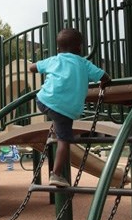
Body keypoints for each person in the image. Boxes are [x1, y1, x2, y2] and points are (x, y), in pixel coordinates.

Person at [30, 28, 110, 187]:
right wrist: (103, 82)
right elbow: (104, 77)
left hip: (43, 100)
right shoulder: (84, 63)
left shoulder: (54, 60)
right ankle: (56, 174)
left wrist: (37, 66)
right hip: (64, 110)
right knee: (64, 141)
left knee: (56, 116)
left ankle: (54, 133)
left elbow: (32, 68)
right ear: (79, 48)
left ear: (58, 48)